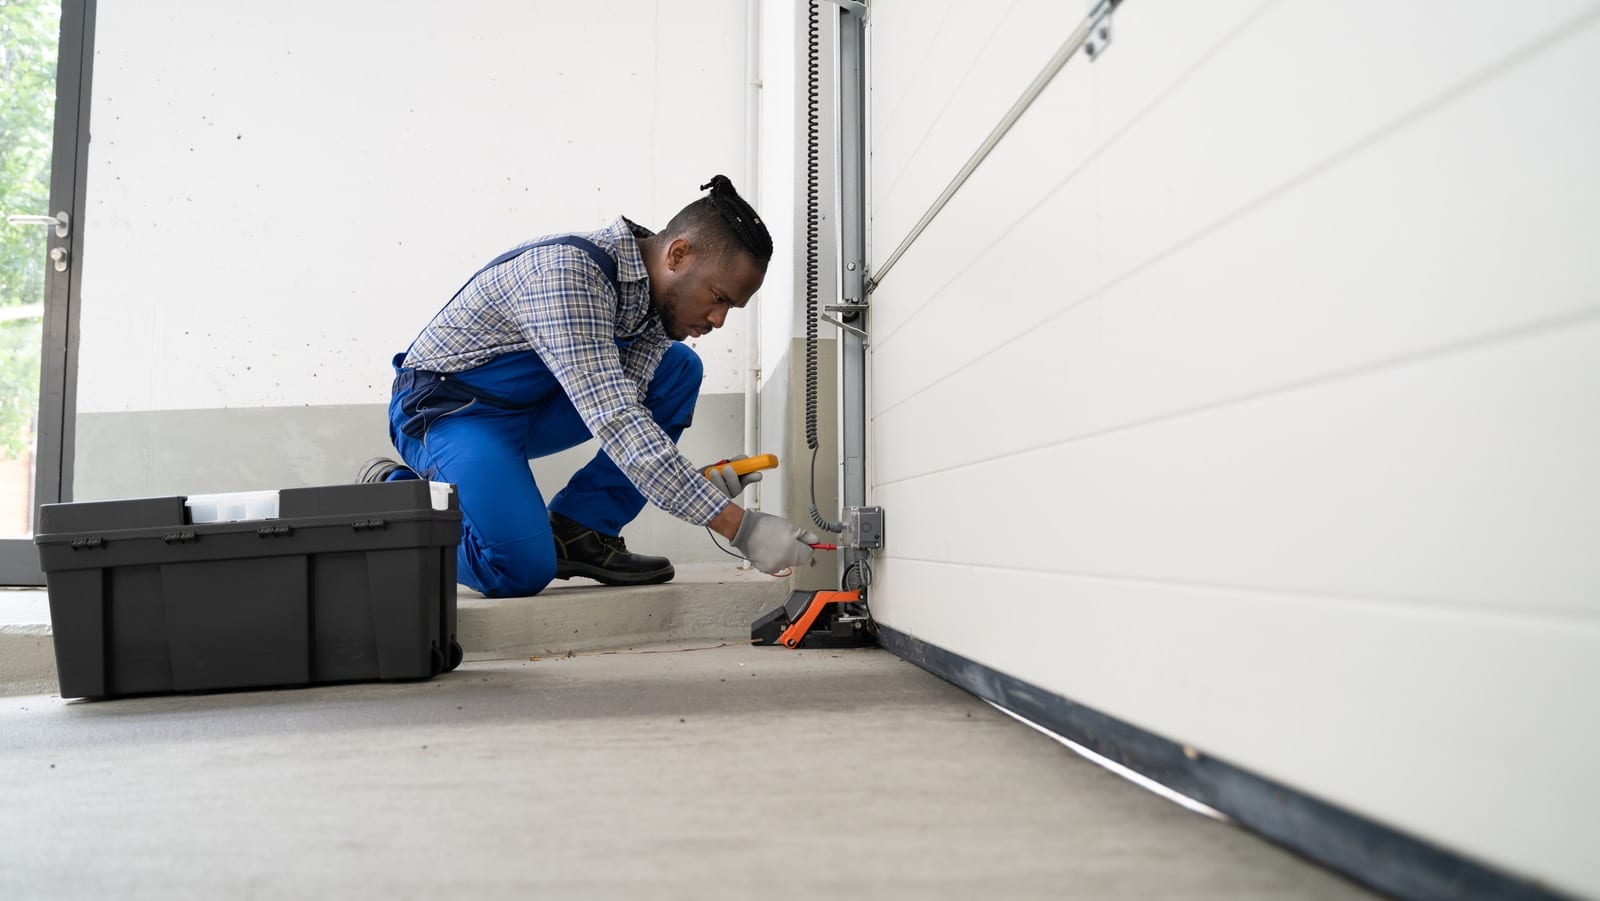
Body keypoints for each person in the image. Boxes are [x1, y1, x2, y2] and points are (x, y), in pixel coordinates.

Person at [360, 176, 818, 597]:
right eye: (718, 299)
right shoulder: (568, 274)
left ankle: (580, 530)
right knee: (517, 568)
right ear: (678, 255)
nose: (718, 320)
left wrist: (695, 485)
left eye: (730, 309)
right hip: (452, 412)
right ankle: (397, 499)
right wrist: (741, 527)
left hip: (534, 407)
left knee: (678, 369)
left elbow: (632, 414)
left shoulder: (656, 305)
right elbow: (617, 422)